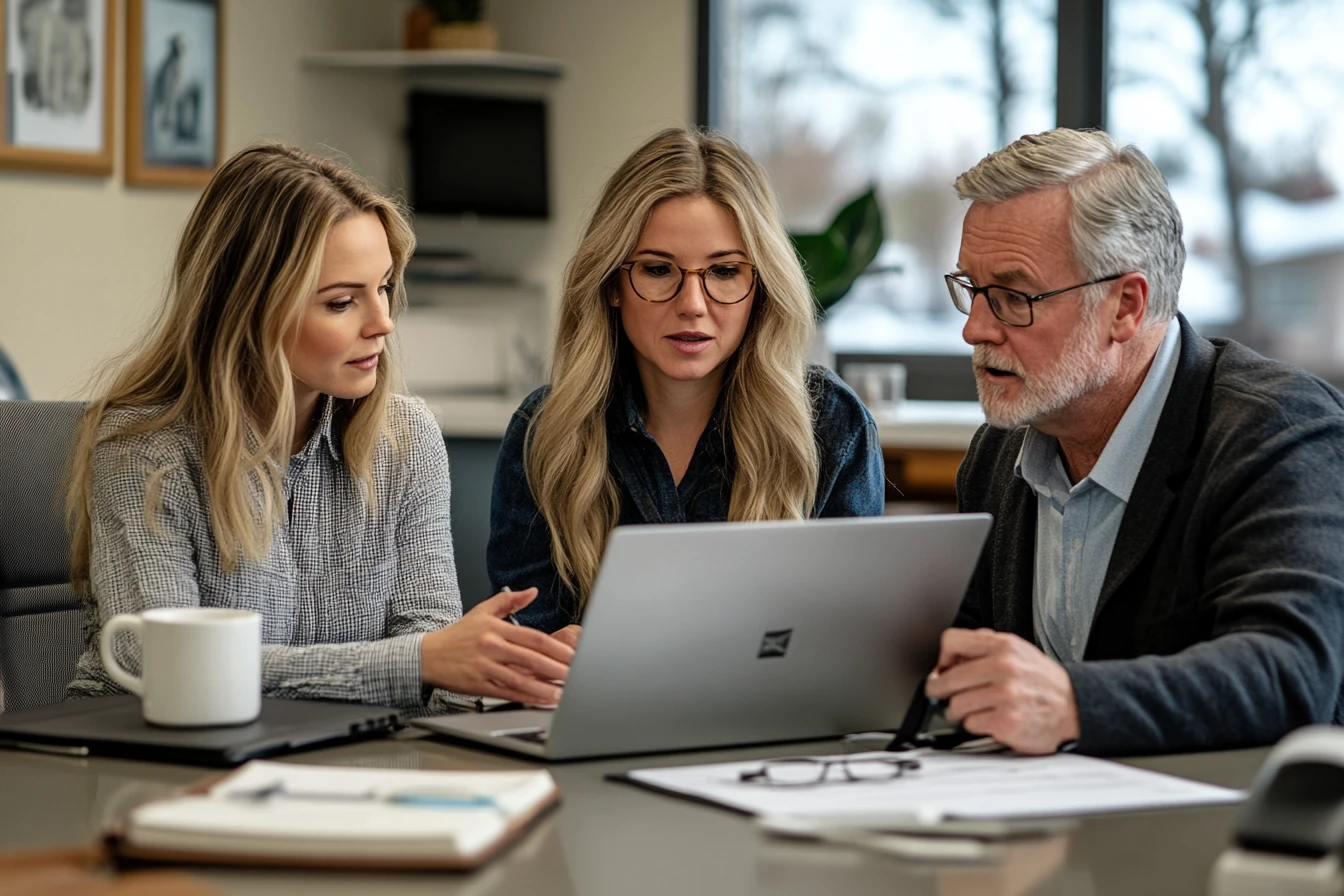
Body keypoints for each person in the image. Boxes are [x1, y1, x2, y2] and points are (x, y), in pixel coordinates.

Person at [66, 143, 571, 710]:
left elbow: (433, 652)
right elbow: (168, 664)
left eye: (383, 286)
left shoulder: (407, 438)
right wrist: (421, 661)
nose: (382, 322)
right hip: (145, 764)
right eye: (340, 302)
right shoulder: (143, 450)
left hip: (336, 764)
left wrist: (530, 667)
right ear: (251, 308)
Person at [925, 127, 1344, 756]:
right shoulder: (999, 450)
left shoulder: (1277, 429)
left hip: (1225, 831)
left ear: (1125, 305)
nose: (974, 329)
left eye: (1013, 296)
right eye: (972, 290)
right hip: (1045, 827)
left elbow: (1289, 675)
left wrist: (1070, 703)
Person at [488, 127, 886, 640]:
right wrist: (548, 651)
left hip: (778, 721)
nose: (693, 304)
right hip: (599, 716)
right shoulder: (544, 431)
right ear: (611, 283)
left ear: (759, 288)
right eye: (658, 269)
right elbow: (525, 638)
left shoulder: (831, 424)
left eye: (723, 272)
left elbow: (852, 642)